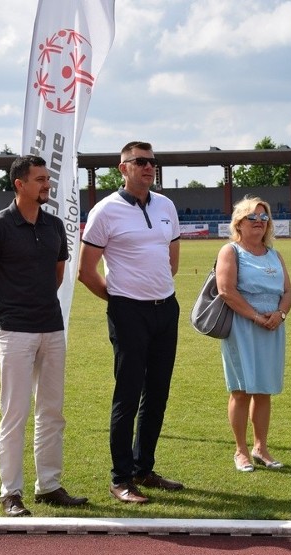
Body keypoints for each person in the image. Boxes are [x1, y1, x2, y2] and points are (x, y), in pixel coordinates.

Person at [0, 155, 88, 517]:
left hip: (52, 329)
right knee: (15, 413)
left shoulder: (54, 225)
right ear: (19, 184)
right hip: (14, 332)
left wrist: (37, 309)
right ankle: (11, 492)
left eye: (47, 179)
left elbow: (56, 274)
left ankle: (49, 485)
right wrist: (4, 316)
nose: (46, 185)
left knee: (52, 411)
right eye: (39, 179)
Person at [78, 141, 183, 504]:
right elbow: (85, 271)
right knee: (127, 395)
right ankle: (120, 478)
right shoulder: (105, 211)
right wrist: (120, 299)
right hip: (129, 312)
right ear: (122, 168)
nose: (148, 167)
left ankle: (144, 467)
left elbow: (172, 260)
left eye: (152, 161)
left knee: (157, 394)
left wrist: (155, 293)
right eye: (139, 162)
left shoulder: (166, 205)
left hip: (165, 309)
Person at [215, 196, 291, 472]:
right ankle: (241, 450)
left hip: (272, 328)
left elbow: (287, 291)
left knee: (264, 391)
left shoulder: (274, 254)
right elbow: (226, 291)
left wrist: (280, 314)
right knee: (241, 390)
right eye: (253, 218)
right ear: (239, 222)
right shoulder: (231, 251)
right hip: (242, 328)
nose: (260, 223)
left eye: (264, 218)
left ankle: (261, 447)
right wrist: (256, 317)